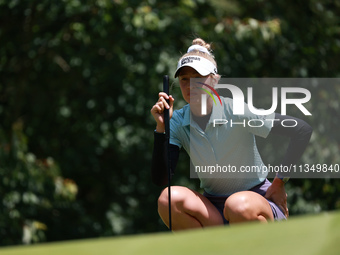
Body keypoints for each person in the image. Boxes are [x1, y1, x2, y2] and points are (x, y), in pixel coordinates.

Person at [150, 38, 313, 230]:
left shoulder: (236, 110)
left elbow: (301, 129)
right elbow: (162, 179)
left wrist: (279, 182)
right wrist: (162, 128)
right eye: (184, 79)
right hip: (215, 209)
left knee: (237, 205)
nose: (190, 85)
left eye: (198, 77)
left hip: (256, 202)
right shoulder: (177, 121)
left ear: (214, 80)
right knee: (167, 199)